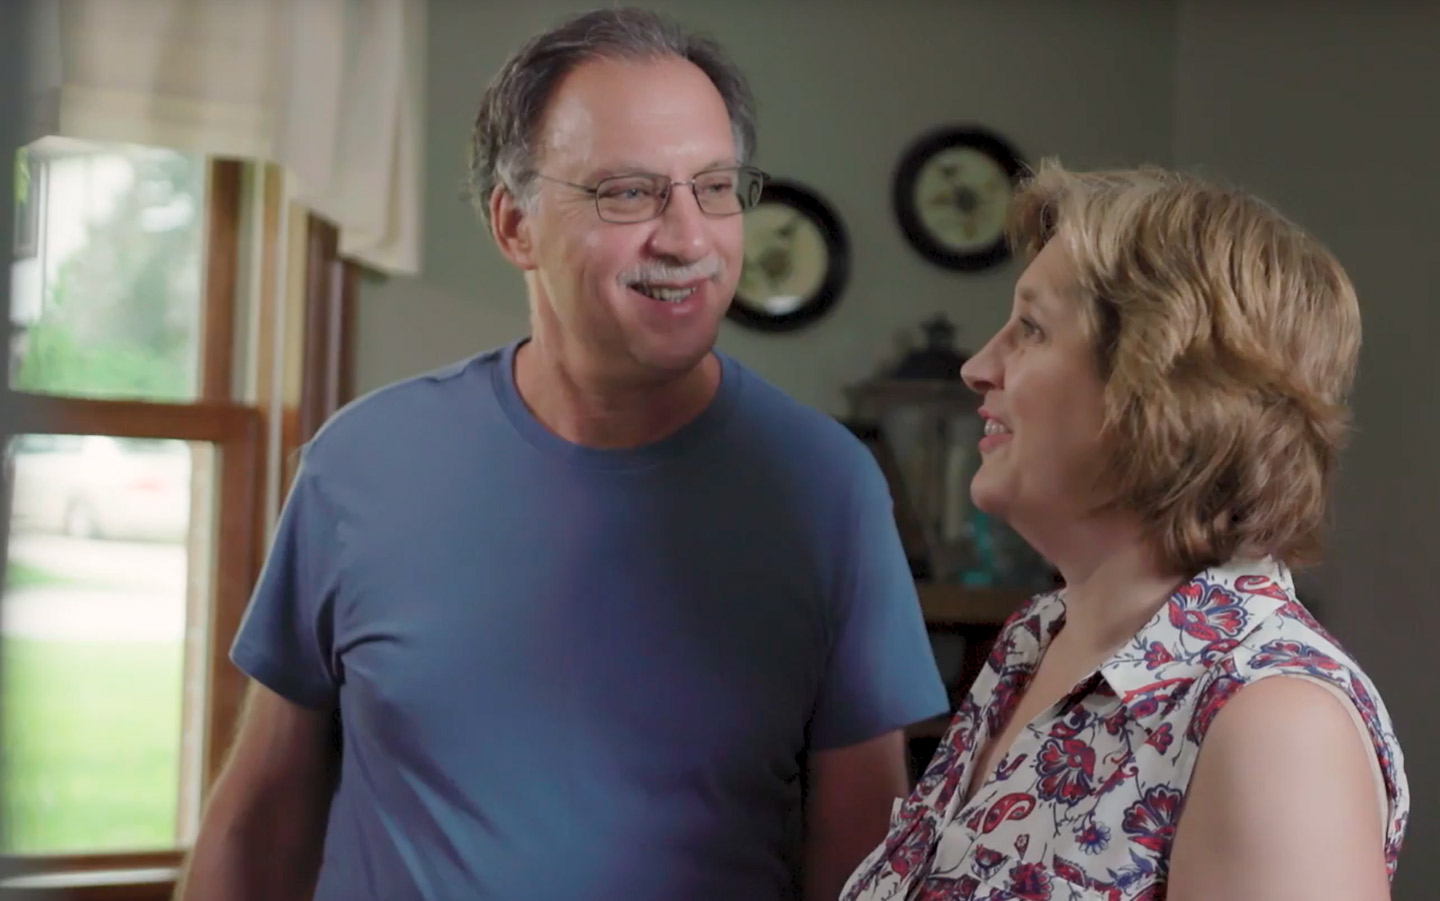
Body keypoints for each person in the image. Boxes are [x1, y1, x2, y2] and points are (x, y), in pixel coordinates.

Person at [175, 8, 947, 901]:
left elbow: (859, 861)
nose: (688, 237)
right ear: (515, 226)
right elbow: (258, 819)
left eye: (716, 186)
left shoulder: (829, 490)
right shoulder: (359, 466)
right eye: (628, 191)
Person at [840, 161, 1409, 900]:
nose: (979, 367)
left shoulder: (1274, 724)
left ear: (1163, 386)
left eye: (1031, 329)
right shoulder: (1032, 644)